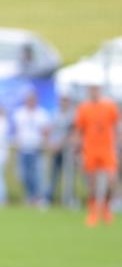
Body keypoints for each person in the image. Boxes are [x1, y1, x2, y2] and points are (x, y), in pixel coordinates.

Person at [74, 84, 120, 226]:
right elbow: (79, 129)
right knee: (92, 182)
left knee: (111, 180)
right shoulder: (83, 108)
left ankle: (106, 208)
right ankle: (93, 212)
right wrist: (78, 147)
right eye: (91, 89)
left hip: (107, 149)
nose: (94, 92)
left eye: (96, 89)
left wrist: (118, 144)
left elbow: (117, 126)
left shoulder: (110, 106)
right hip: (91, 150)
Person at [13, 90, 50, 205]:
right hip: (23, 148)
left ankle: (39, 197)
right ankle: (30, 195)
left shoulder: (41, 114)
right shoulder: (20, 113)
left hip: (36, 148)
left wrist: (44, 142)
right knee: (24, 175)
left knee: (37, 175)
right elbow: (17, 130)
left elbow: (46, 130)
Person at [45, 96, 75, 205]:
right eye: (62, 100)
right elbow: (48, 130)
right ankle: (48, 198)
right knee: (53, 175)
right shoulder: (55, 114)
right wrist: (50, 143)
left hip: (67, 150)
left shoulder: (72, 115)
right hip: (55, 149)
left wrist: (60, 144)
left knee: (69, 176)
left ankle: (68, 198)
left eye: (65, 100)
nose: (63, 103)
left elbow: (72, 132)